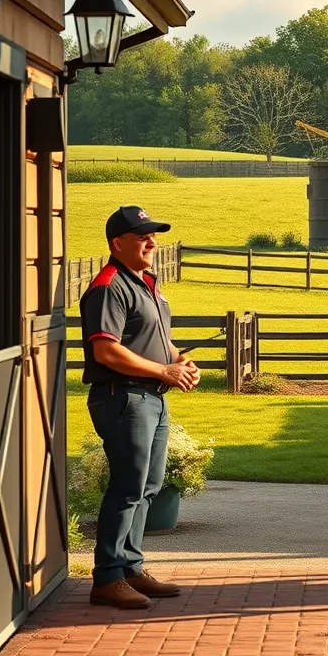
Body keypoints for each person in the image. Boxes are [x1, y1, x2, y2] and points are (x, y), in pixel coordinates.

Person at [79, 205, 200, 609]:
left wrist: (180, 362)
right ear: (118, 243)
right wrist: (164, 370)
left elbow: (157, 339)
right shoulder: (109, 285)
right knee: (128, 485)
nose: (152, 242)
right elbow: (107, 350)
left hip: (152, 397)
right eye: (142, 235)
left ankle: (130, 567)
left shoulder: (146, 283)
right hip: (122, 396)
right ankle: (108, 577)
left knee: (148, 486)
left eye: (154, 235)